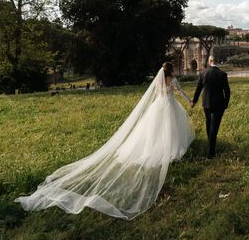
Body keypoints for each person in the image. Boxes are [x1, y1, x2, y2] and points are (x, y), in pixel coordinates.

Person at [15, 62, 194, 220]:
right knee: (170, 130)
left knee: (154, 131)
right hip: (169, 106)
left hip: (159, 107)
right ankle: (168, 148)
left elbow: (155, 96)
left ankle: (155, 147)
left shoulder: (159, 81)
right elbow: (181, 93)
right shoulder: (174, 81)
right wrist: (190, 101)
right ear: (171, 71)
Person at [192, 55, 230, 159]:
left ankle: (210, 146)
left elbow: (198, 88)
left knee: (209, 124)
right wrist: (225, 105)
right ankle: (211, 153)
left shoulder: (203, 73)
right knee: (214, 127)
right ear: (217, 62)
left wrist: (194, 101)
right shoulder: (222, 74)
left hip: (206, 103)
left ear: (210, 61)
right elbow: (227, 91)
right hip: (218, 105)